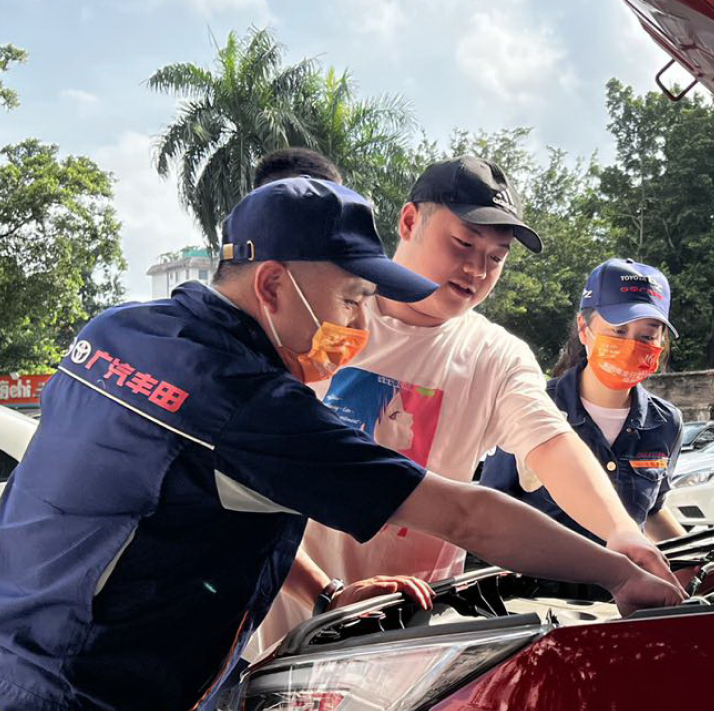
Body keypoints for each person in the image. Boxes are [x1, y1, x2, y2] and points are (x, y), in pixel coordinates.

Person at [0, 177, 683, 711]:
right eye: (352, 298)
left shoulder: (116, 330)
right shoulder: (251, 403)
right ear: (273, 284)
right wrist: (618, 572)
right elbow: (464, 514)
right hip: (89, 686)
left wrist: (327, 594)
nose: (358, 323)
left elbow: (214, 495)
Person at [254, 156, 681, 653]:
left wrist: (621, 534)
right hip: (281, 638)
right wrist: (324, 593)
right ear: (409, 221)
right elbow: (255, 484)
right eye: (463, 243)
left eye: (496, 257)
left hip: (415, 644)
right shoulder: (325, 319)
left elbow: (550, 444)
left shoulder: (494, 356)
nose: (477, 270)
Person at [482, 258, 687, 542]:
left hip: (627, 572)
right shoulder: (531, 405)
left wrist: (700, 556)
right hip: (542, 571)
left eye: (647, 336)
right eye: (619, 331)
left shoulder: (666, 423)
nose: (631, 346)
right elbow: (492, 506)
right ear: (583, 328)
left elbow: (652, 511)